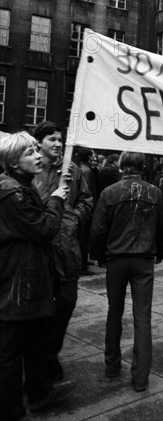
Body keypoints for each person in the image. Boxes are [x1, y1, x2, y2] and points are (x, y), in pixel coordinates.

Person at [0, 131, 76, 420]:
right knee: (10, 351)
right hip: (18, 283)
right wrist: (56, 199)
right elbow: (44, 228)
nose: (37, 156)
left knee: (33, 341)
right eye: (30, 152)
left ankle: (40, 392)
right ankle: (10, 409)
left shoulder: (19, 186)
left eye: (36, 150)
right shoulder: (13, 193)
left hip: (26, 279)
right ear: (14, 162)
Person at [90, 151, 163, 392]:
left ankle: (112, 365)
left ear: (122, 166)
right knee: (142, 317)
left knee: (114, 312)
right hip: (143, 260)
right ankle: (140, 377)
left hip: (116, 259)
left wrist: (100, 257)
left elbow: (98, 230)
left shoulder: (109, 192)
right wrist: (159, 253)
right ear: (142, 166)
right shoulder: (154, 192)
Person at [33, 121, 94, 380]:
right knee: (40, 308)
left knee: (67, 302)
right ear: (39, 143)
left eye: (60, 139)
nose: (58, 144)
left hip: (67, 248)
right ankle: (43, 360)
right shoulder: (31, 168)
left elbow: (86, 200)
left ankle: (50, 351)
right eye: (52, 140)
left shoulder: (72, 170)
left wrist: (74, 219)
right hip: (38, 248)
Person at [77, 147, 98, 274]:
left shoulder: (83, 168)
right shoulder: (86, 171)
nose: (94, 157)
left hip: (85, 208)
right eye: (92, 155)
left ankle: (84, 261)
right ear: (89, 157)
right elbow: (89, 192)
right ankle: (82, 265)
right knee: (83, 237)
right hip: (87, 209)